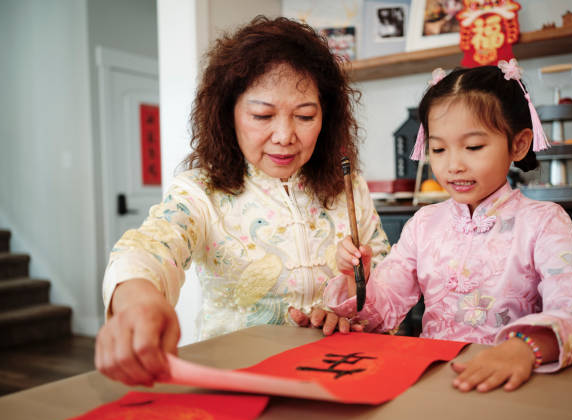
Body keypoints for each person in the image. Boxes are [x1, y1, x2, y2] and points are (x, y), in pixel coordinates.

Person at [95, 16, 390, 386]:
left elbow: (388, 283)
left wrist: (349, 306)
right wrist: (137, 300)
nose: (284, 135)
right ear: (228, 114)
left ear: (325, 118)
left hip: (340, 374)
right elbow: (151, 246)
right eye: (262, 115)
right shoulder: (201, 191)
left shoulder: (349, 187)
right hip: (237, 379)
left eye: (305, 115)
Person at [325, 60, 572, 392]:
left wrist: (523, 349)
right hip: (432, 381)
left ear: (518, 144)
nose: (453, 165)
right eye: (439, 149)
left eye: (473, 147)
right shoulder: (424, 224)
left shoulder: (544, 221)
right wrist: (356, 278)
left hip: (516, 380)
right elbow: (381, 311)